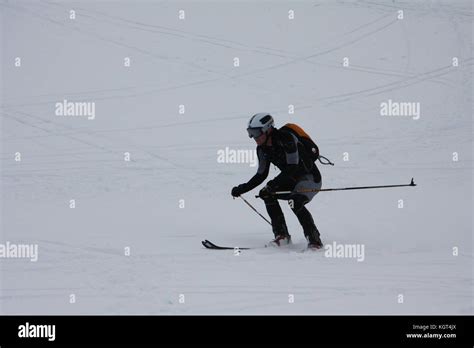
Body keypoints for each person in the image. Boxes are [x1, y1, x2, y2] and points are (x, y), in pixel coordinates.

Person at [231, 113, 323, 249]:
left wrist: (273, 184)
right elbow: (261, 175)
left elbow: (293, 167)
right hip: (291, 180)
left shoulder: (286, 139)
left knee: (295, 202)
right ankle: (282, 236)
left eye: (256, 132)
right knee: (266, 194)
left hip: (310, 178)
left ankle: (315, 241)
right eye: (250, 133)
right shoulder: (262, 149)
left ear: (268, 129)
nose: (253, 137)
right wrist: (242, 188)